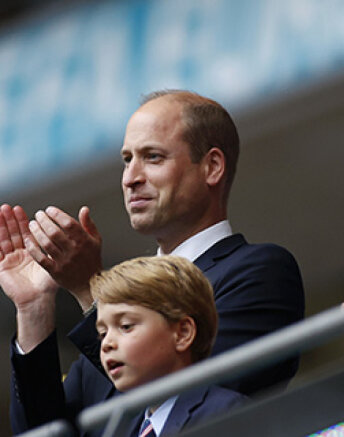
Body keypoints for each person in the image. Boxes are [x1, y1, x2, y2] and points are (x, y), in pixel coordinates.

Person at [3, 90, 304, 434]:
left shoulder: (260, 271)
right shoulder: (109, 315)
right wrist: (34, 308)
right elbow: (42, 432)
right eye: (126, 159)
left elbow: (190, 404)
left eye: (153, 157)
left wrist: (93, 292)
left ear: (212, 167)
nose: (131, 177)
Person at [92, 255, 247, 436]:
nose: (107, 344)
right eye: (102, 334)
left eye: (126, 326)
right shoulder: (118, 428)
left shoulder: (225, 413)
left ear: (183, 334)